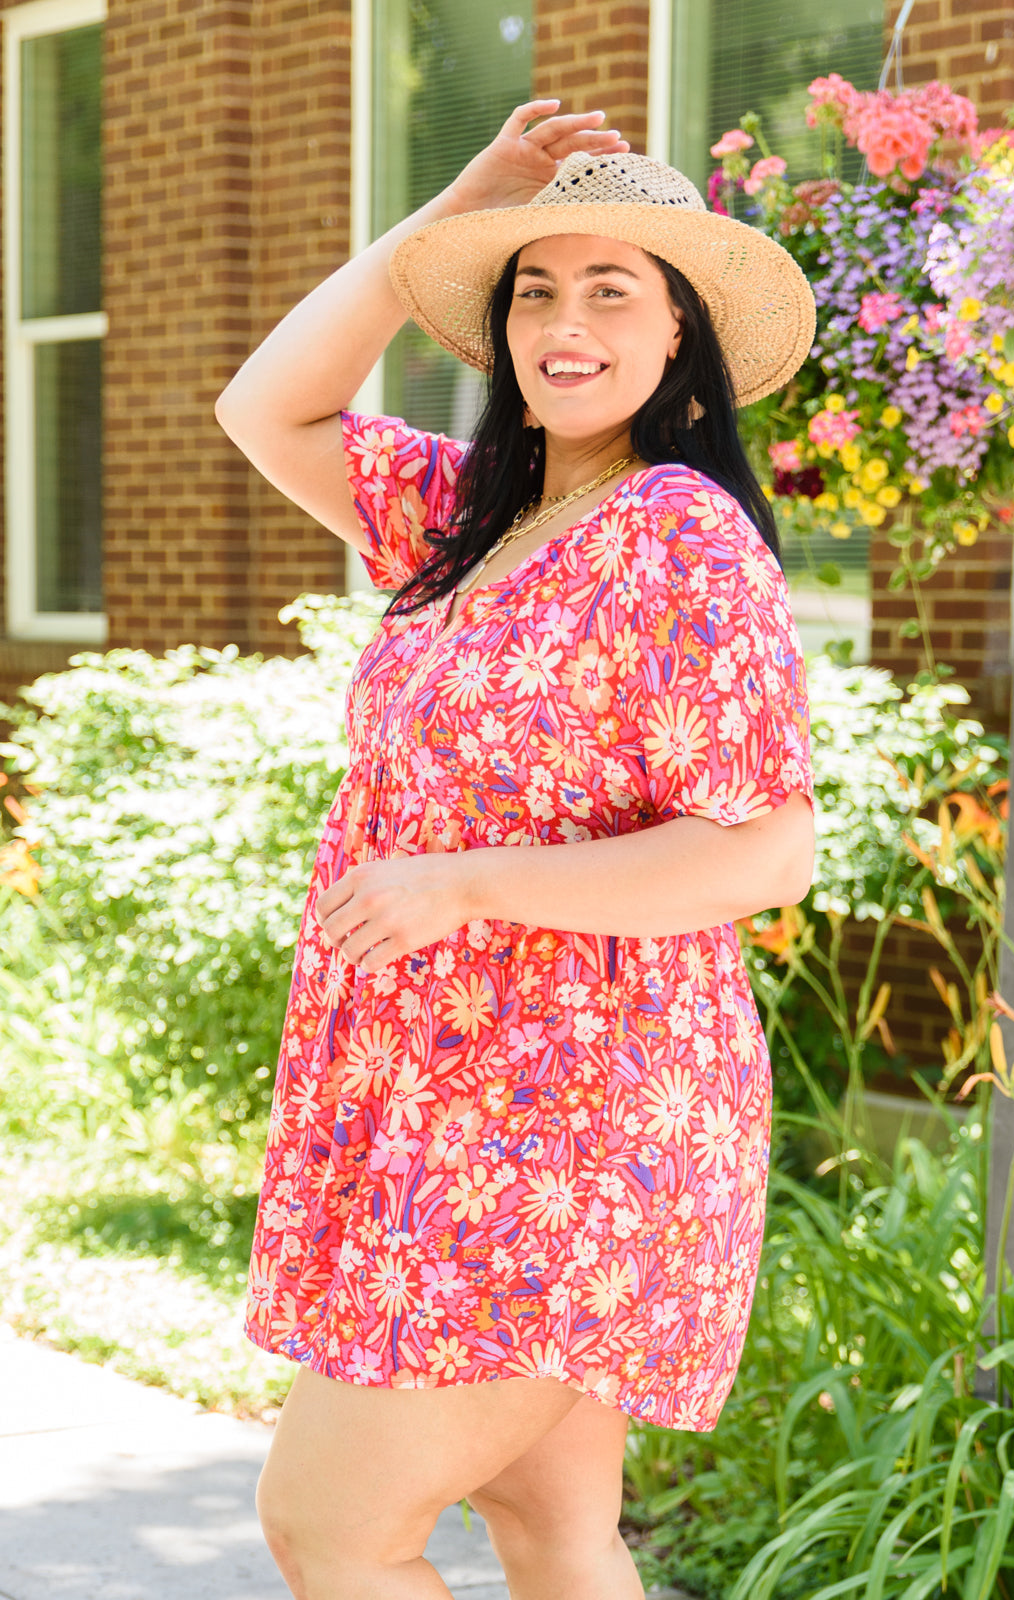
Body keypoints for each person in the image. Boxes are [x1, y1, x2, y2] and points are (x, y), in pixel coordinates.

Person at [215, 101, 817, 1600]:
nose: (568, 318)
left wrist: (461, 883)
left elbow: (767, 850)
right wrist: (463, 202)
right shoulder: (464, 520)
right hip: (438, 1105)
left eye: (615, 288)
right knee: (550, 1535)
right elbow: (263, 406)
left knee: (332, 1528)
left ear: (681, 336)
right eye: (535, 287)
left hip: (572, 1129)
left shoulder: (678, 532)